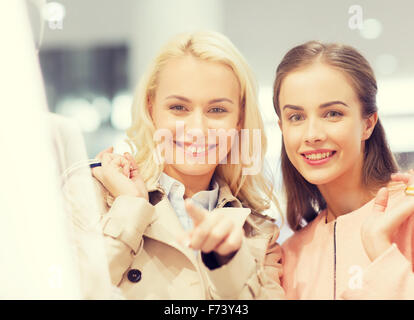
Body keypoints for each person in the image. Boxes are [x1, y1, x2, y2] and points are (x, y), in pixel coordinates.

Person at [65, 31, 285, 299]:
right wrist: (131, 206)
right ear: (151, 108)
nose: (197, 129)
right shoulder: (91, 194)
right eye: (179, 108)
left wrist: (228, 263)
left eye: (217, 110)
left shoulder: (260, 234)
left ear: (239, 119)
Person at [272, 41, 414, 299]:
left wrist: (382, 251)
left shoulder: (409, 214)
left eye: (332, 114)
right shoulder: (290, 256)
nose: (312, 134)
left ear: (368, 124)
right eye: (296, 117)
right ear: (282, 128)